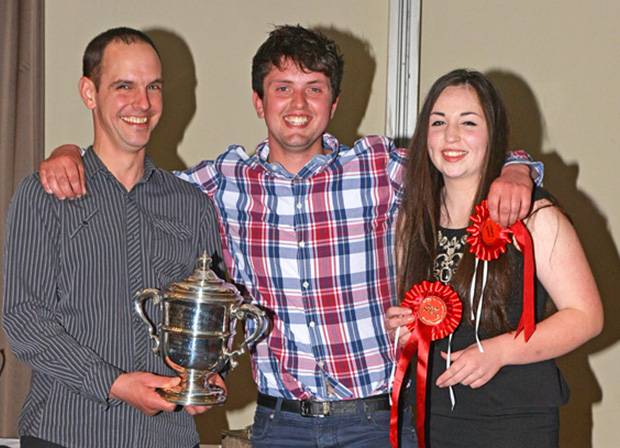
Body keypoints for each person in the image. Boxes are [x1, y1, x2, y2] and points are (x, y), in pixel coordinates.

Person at [36, 26, 539, 447]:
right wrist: (69, 153)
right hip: (280, 425)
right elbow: (134, 179)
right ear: (259, 101)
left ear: (334, 101)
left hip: (376, 422)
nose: (298, 103)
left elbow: (460, 157)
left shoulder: (380, 166)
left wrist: (517, 169)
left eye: (314, 88)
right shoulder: (219, 183)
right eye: (282, 88)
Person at [2, 27, 224, 448]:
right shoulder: (44, 194)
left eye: (153, 86)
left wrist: (210, 374)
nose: (142, 103)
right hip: (64, 434)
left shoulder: (191, 204)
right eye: (124, 86)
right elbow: (25, 319)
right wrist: (114, 383)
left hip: (170, 438)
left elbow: (210, 317)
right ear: (89, 92)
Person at [386, 69, 603, 447]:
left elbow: (587, 317)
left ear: (493, 135)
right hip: (426, 420)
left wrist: (499, 352)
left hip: (514, 423)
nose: (451, 136)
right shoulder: (410, 219)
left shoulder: (535, 217)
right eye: (439, 122)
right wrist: (401, 324)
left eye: (468, 122)